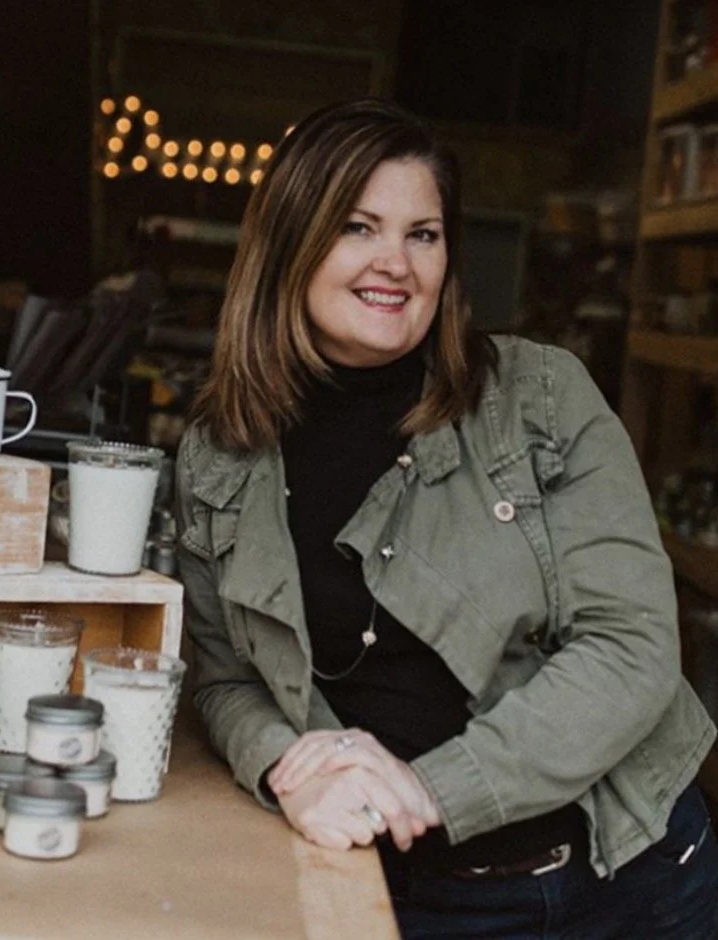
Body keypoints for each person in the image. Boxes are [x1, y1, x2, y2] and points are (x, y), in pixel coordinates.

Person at [174, 98, 718, 938]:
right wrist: (286, 765)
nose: (396, 262)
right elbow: (225, 679)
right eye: (358, 227)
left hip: (621, 884)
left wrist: (433, 789)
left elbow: (633, 648)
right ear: (288, 243)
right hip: (404, 894)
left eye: (422, 234)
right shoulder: (219, 454)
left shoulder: (540, 398)